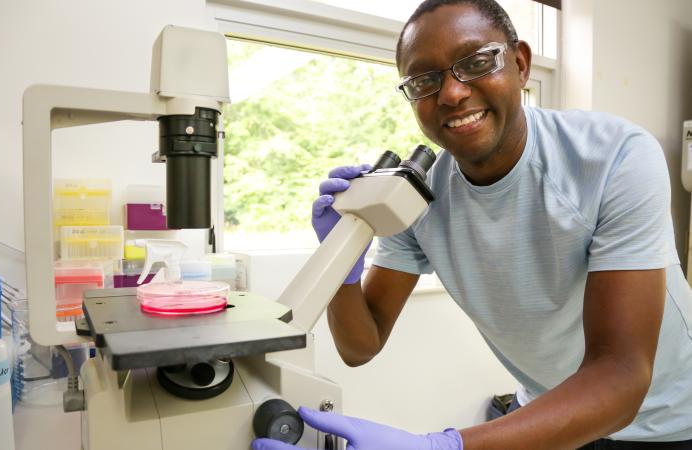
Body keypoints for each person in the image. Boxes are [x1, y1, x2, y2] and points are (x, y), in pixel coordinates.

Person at [252, 0, 692, 449]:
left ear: (520, 64)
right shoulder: (417, 196)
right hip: (547, 407)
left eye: (477, 62)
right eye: (424, 80)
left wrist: (445, 446)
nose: (452, 94)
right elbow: (360, 346)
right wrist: (341, 260)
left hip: (665, 422)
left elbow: (621, 375)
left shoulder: (614, 157)